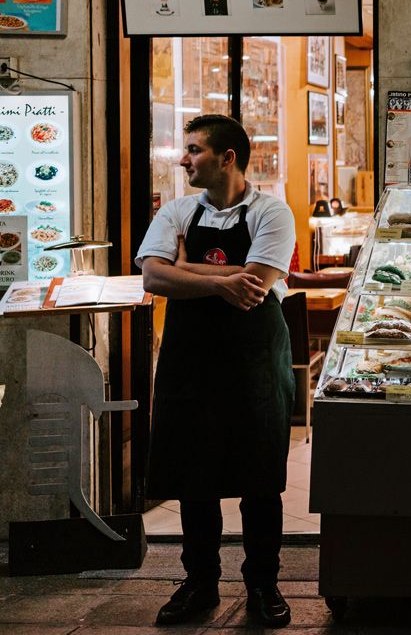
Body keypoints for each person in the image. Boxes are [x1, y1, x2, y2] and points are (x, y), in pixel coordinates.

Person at [136, 115, 297, 628]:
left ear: (228, 158)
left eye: (194, 150)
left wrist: (190, 267)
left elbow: (260, 279)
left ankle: (263, 585)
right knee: (193, 476)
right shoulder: (178, 209)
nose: (183, 159)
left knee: (260, 477)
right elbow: (154, 275)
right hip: (190, 361)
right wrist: (222, 280)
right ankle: (199, 583)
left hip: (254, 362)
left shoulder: (272, 212)